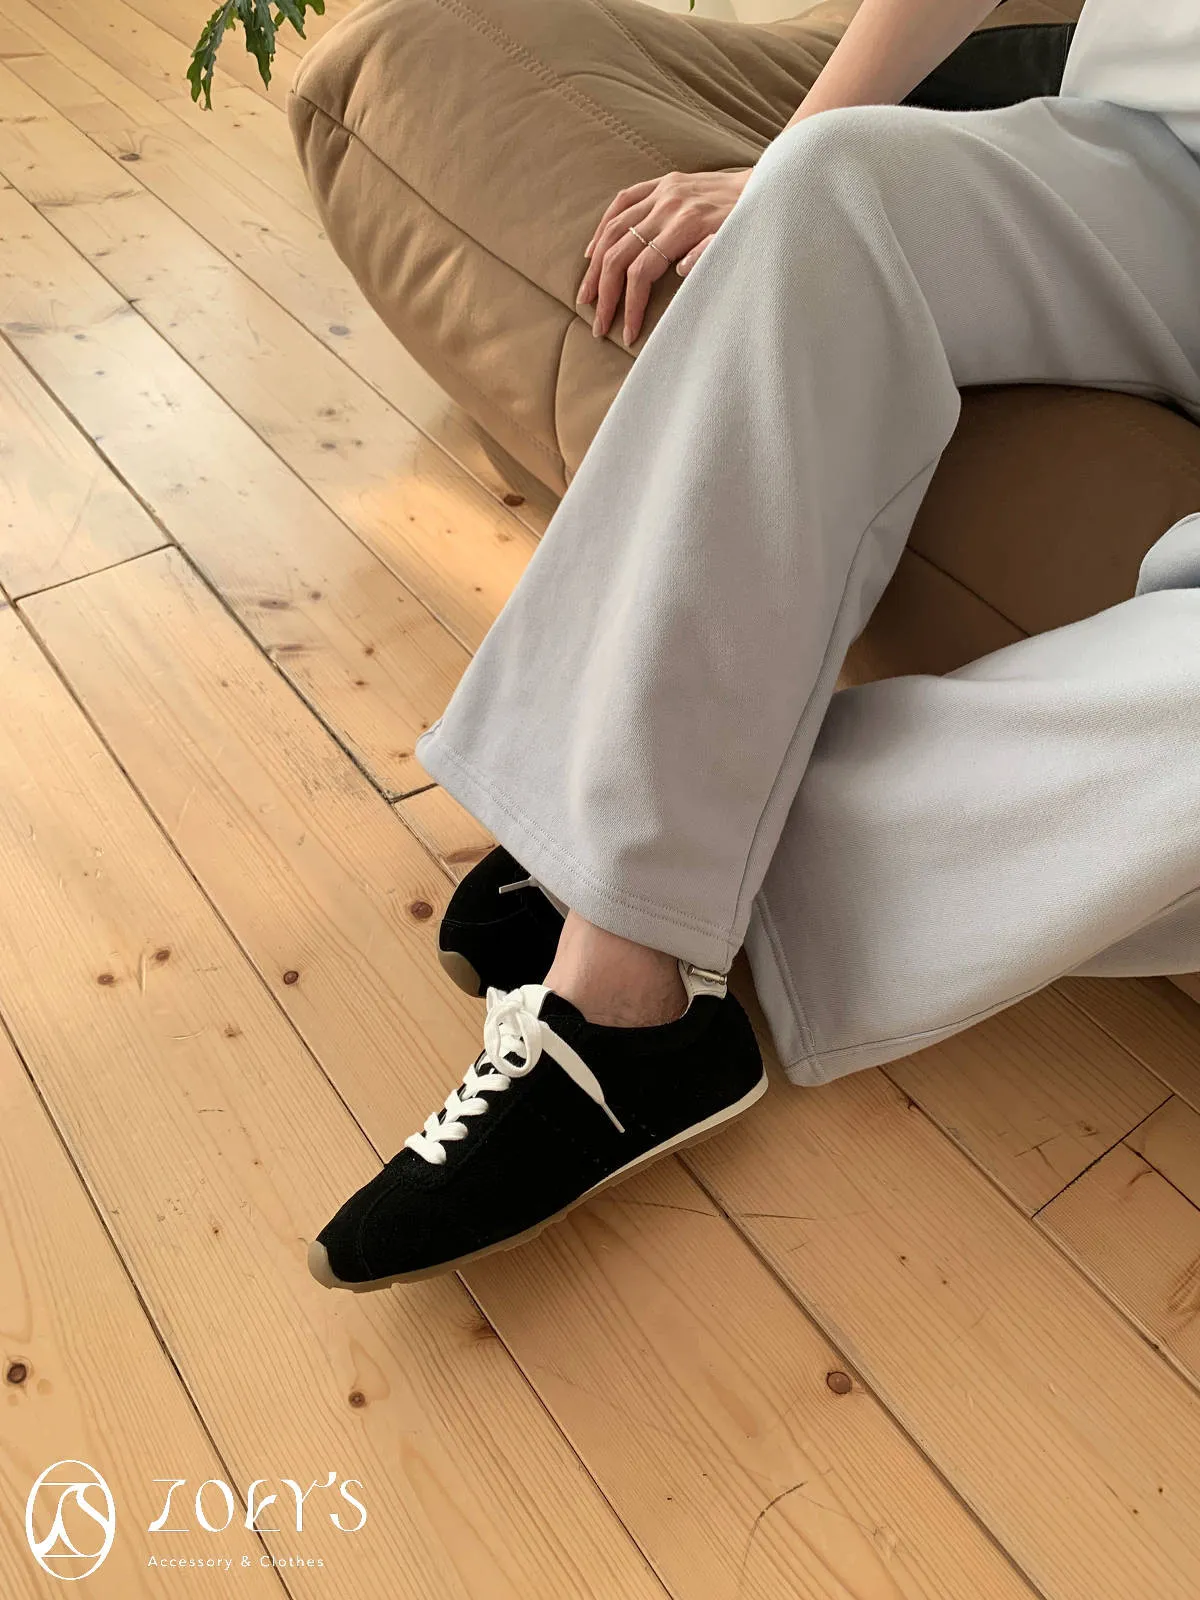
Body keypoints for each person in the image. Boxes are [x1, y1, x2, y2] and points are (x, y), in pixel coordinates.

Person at [308, 0, 1200, 1292]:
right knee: (834, 187)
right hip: (1164, 154)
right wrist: (786, 160)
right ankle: (645, 911)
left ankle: (647, 908)